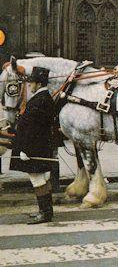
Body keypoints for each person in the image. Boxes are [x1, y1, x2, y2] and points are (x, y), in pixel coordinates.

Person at [10, 66, 56, 223]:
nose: (29, 85)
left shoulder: (39, 100)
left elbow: (34, 129)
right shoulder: (43, 98)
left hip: (35, 148)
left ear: (39, 83)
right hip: (40, 147)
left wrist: (26, 150)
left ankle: (44, 213)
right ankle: (47, 211)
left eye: (32, 82)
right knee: (42, 178)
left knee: (37, 179)